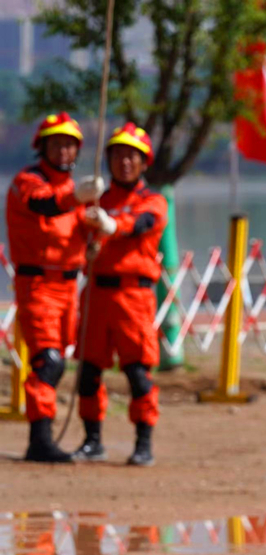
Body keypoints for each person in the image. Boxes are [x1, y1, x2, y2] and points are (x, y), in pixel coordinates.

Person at [7, 112, 104, 463]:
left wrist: (97, 235)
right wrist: (78, 196)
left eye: (69, 144)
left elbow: (84, 231)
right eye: (57, 143)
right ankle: (39, 440)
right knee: (46, 361)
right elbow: (44, 204)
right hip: (37, 284)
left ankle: (71, 437)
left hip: (68, 288)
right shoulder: (27, 181)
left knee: (60, 361)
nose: (63, 150)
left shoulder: (77, 192)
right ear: (43, 147)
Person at [72, 123, 167, 467]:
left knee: (138, 374)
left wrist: (113, 225)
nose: (124, 162)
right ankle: (92, 441)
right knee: (88, 373)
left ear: (143, 162)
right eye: (118, 155)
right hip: (96, 294)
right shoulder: (97, 201)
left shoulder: (152, 200)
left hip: (133, 297)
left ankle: (143, 443)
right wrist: (78, 202)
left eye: (131, 156)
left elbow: (143, 224)